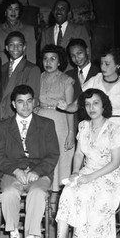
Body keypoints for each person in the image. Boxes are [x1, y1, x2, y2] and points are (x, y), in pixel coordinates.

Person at [51, 89, 120, 238]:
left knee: (84, 195)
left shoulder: (114, 129)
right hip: (86, 172)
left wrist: (90, 177)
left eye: (96, 103)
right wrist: (75, 172)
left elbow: (115, 163)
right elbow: (78, 154)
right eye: (87, 104)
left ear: (104, 105)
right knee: (68, 193)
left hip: (108, 177)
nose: (91, 107)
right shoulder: (83, 126)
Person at [0, 85, 59, 238]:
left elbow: (53, 154)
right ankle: (14, 235)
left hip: (39, 173)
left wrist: (37, 171)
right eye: (20, 102)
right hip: (12, 172)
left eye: (29, 101)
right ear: (14, 104)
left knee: (37, 194)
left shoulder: (46, 124)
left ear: (34, 102)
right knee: (8, 193)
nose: (25, 106)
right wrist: (15, 171)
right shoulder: (2, 127)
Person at [36, 44, 75, 192]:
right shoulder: (39, 77)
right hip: (40, 123)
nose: (48, 62)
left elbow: (70, 108)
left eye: (53, 59)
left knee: (60, 160)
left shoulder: (66, 80)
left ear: (59, 62)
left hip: (59, 123)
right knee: (42, 158)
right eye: (45, 59)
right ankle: (41, 194)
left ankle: (54, 200)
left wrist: (71, 133)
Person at [0, 31, 41, 121]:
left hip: (20, 118)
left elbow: (34, 99)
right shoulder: (3, 68)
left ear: (24, 47)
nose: (15, 48)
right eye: (12, 45)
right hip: (2, 118)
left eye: (19, 45)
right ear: (6, 48)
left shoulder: (32, 69)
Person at [39, 0, 91, 67]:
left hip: (73, 74)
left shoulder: (79, 29)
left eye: (62, 9)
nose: (59, 11)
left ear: (68, 13)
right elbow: (43, 56)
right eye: (56, 8)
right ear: (53, 12)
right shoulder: (46, 32)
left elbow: (88, 54)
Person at [0, 0, 37, 65]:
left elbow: (31, 56)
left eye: (16, 9)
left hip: (21, 71)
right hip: (0, 69)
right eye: (10, 9)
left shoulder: (29, 29)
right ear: (5, 11)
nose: (13, 12)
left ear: (19, 12)